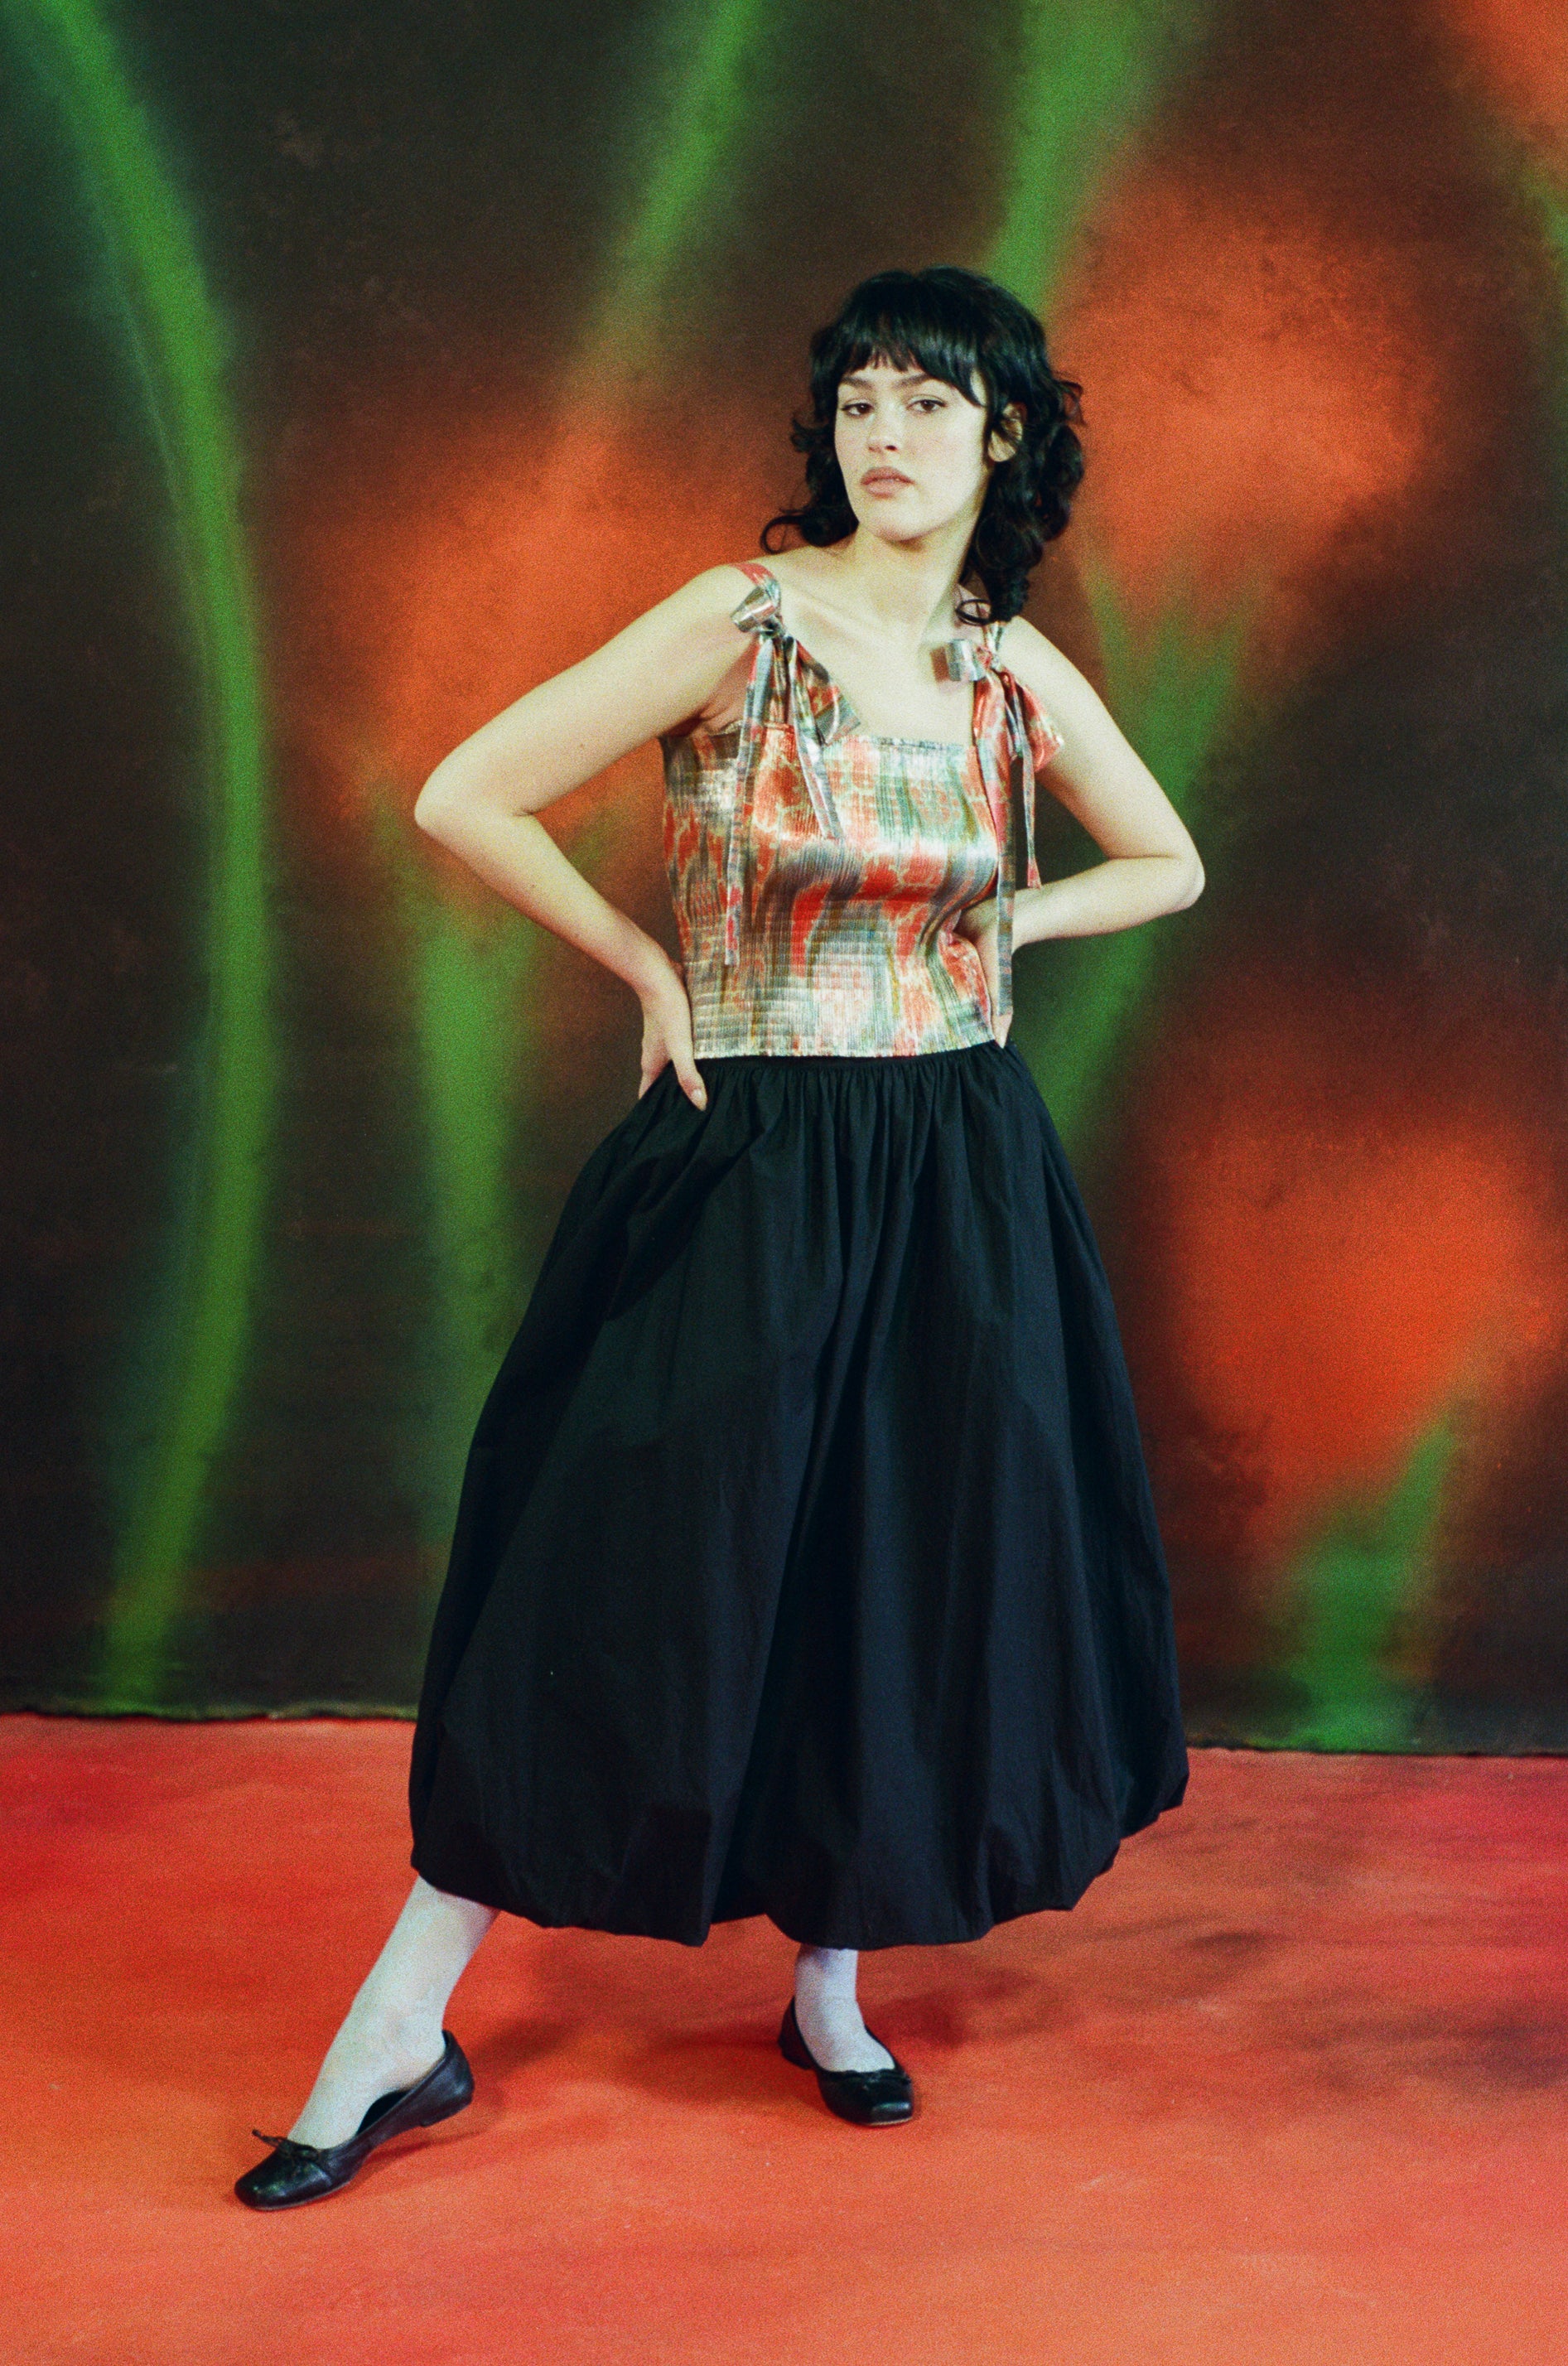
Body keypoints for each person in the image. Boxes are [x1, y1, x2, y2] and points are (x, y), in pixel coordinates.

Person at [235, 264, 1202, 2208]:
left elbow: (1166, 862)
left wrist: (1012, 922)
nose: (884, 432)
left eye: (929, 401)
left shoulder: (1010, 669)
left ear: (1004, 437)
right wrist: (641, 965)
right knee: (611, 1574)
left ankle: (827, 1992)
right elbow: (463, 794)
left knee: (885, 1575)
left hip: (952, 1167)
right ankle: (397, 2027)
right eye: (857, 398)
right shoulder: (734, 621)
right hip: (749, 1153)